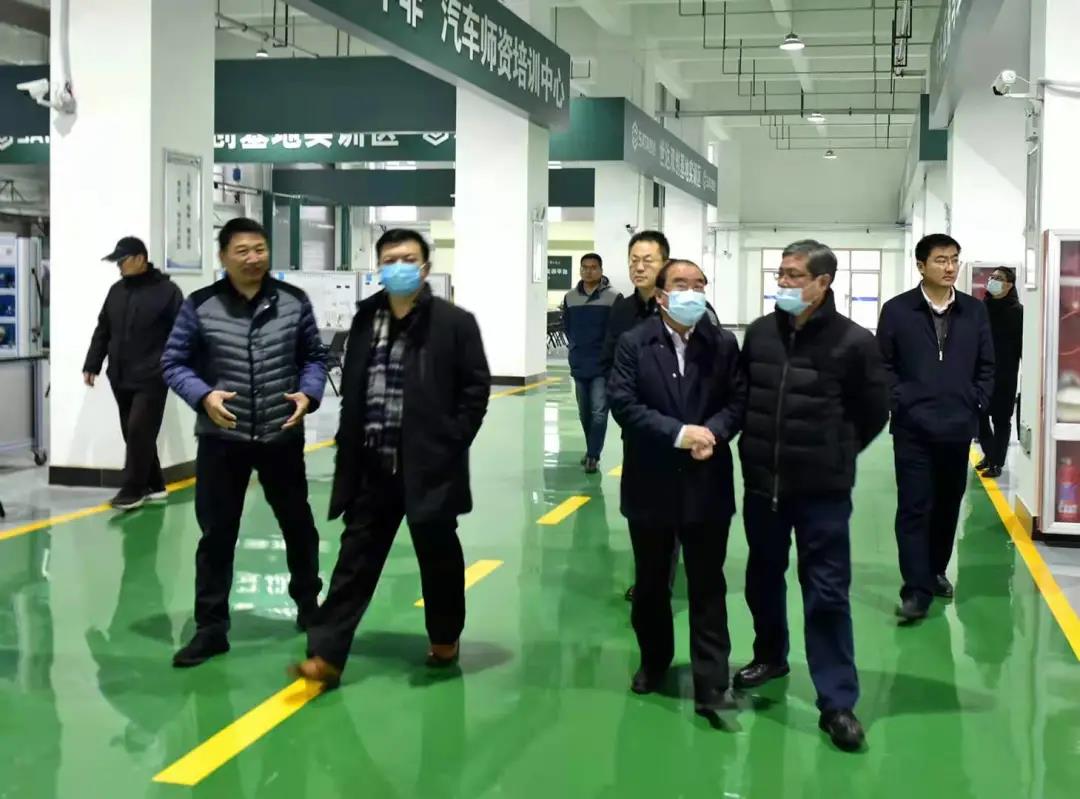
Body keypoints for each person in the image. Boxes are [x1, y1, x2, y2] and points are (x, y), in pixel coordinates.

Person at [290, 228, 490, 687]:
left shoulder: (454, 323)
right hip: (372, 464)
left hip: (428, 466)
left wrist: (450, 442)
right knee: (354, 561)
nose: (399, 267)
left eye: (408, 259)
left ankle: (445, 637)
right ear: (379, 268)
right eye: (390, 259)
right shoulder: (365, 319)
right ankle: (326, 655)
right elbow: (355, 388)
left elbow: (475, 389)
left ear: (425, 267)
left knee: (438, 557)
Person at [736, 240, 889, 752]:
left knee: (826, 590)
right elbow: (745, 396)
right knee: (763, 576)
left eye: (794, 275)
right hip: (763, 484)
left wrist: (836, 453)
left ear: (823, 282)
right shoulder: (760, 334)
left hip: (822, 491)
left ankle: (837, 700)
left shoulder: (854, 342)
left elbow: (874, 411)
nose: (783, 283)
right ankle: (770, 655)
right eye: (780, 273)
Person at [161, 218, 328, 667]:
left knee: (298, 525)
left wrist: (309, 394)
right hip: (222, 438)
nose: (253, 258)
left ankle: (309, 606)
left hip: (280, 433)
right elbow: (173, 362)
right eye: (242, 251)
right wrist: (203, 396)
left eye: (260, 249)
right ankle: (211, 628)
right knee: (217, 535)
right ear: (223, 257)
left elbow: (315, 357)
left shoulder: (293, 301)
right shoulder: (200, 305)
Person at [608, 258, 746, 717]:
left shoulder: (722, 343)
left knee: (707, 583)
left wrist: (712, 434)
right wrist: (679, 434)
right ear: (662, 295)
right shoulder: (635, 342)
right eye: (681, 284)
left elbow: (738, 400)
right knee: (651, 584)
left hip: (708, 481)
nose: (692, 292)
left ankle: (712, 682)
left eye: (699, 284)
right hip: (651, 480)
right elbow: (624, 403)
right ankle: (654, 662)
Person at [877, 233, 994, 622]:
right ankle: (915, 589)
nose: (950, 267)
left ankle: (936, 571)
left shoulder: (974, 311)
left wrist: (977, 400)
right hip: (912, 429)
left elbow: (987, 365)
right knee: (914, 506)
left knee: (947, 504)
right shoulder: (898, 311)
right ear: (921, 265)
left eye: (954, 259)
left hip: (958, 426)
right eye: (941, 260)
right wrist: (900, 400)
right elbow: (883, 364)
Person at [83, 236, 182, 511]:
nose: (119, 266)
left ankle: (133, 488)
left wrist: (174, 366)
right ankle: (155, 483)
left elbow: (183, 332)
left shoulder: (168, 292)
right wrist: (92, 364)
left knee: (139, 429)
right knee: (133, 431)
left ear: (141, 258)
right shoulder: (116, 291)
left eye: (122, 261)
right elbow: (103, 329)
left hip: (153, 375)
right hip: (120, 374)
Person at [600, 230, 671, 602]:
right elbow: (609, 361)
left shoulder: (681, 307)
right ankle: (648, 575)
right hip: (636, 427)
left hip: (676, 428)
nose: (639, 267)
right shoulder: (622, 310)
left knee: (671, 506)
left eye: (648, 260)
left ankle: (662, 578)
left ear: (664, 264)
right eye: (634, 261)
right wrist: (623, 410)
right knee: (639, 507)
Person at [561, 253, 621, 473]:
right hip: (579, 362)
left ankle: (593, 455)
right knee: (584, 412)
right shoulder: (570, 297)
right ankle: (590, 450)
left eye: (593, 267)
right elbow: (567, 327)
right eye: (584, 267)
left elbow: (617, 330)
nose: (588, 271)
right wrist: (575, 347)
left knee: (598, 411)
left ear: (601, 270)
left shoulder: (614, 297)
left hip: (603, 365)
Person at [976, 267, 1022, 478]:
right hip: (980, 373)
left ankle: (997, 462)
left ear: (1009, 284)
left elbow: (1022, 347)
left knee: (1001, 420)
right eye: (992, 277)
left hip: (1005, 374)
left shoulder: (1018, 312)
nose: (993, 280)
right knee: (979, 416)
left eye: (999, 278)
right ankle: (989, 454)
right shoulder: (981, 308)